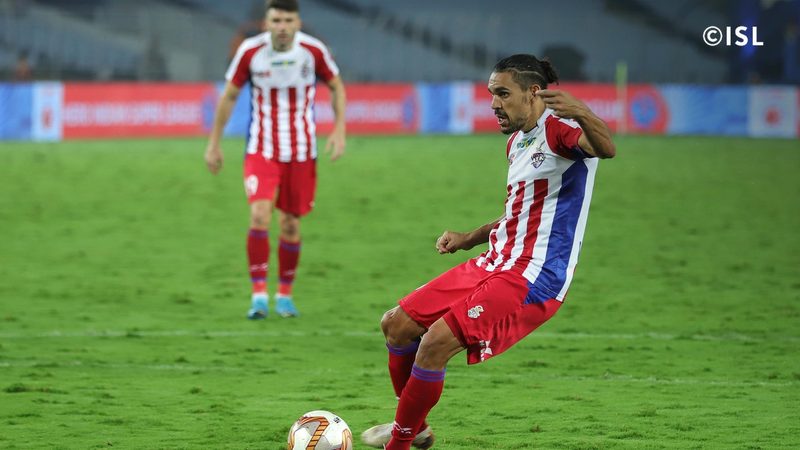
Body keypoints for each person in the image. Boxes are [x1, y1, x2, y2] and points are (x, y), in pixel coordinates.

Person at [361, 54, 616, 450]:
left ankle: (401, 441)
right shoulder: (517, 141)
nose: (494, 103)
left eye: (503, 94)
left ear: (533, 93)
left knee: (434, 345)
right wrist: (469, 237)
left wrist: (582, 112)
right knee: (396, 325)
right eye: (491, 94)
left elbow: (606, 148)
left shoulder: (560, 131)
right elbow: (520, 214)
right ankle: (415, 425)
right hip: (495, 261)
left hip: (533, 274)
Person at [204, 0, 346, 319]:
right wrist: (214, 143)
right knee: (259, 215)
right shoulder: (250, 52)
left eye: (288, 20)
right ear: (266, 23)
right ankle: (258, 295)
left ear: (298, 23)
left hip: (301, 152)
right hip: (262, 149)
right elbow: (229, 95)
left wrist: (339, 130)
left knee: (290, 224)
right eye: (276, 20)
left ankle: (284, 295)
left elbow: (336, 86)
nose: (282, 26)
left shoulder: (313, 51)